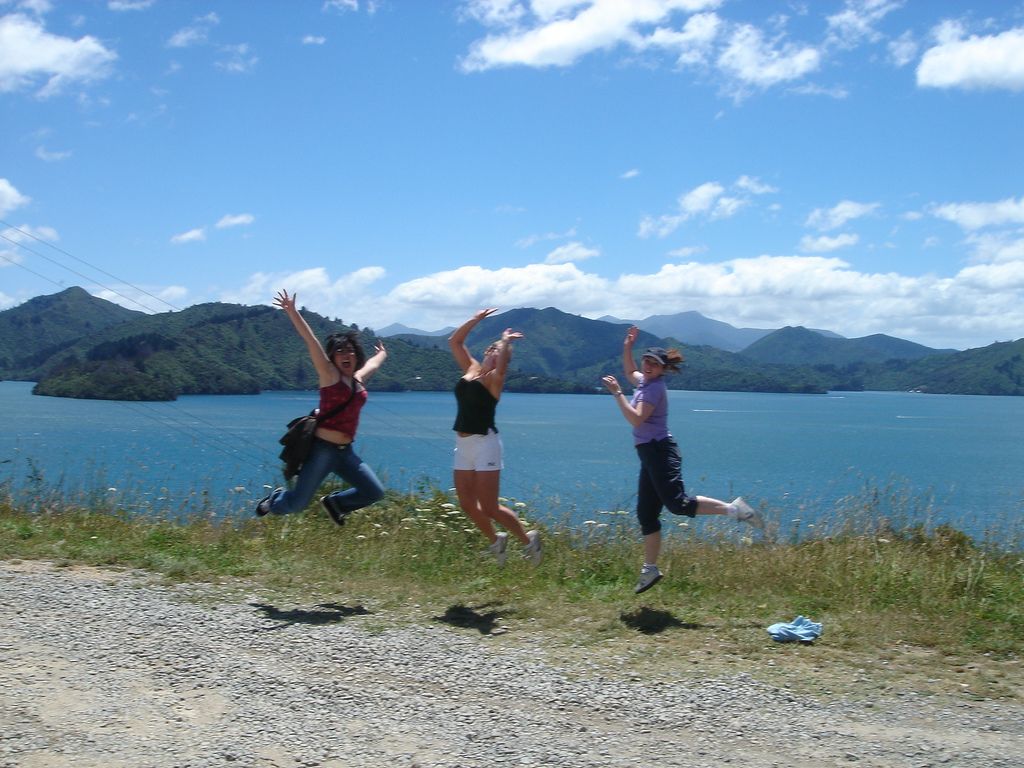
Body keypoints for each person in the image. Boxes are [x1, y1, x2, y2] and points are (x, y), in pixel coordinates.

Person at [602, 325, 763, 594]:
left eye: (655, 363)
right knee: (646, 514)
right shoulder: (645, 381)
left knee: (678, 504)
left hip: (660, 452)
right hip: (649, 454)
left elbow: (636, 418)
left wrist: (618, 394)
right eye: (647, 361)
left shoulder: (654, 389)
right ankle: (650, 569)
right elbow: (631, 372)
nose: (649, 366)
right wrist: (627, 347)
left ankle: (735, 510)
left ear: (664, 369)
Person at [256, 289, 387, 524]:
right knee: (297, 503)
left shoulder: (357, 380)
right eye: (340, 351)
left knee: (375, 492)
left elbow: (373, 365)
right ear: (333, 358)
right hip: (322, 450)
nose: (346, 354)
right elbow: (311, 340)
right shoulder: (329, 375)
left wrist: (383, 354)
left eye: (349, 351)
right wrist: (293, 312)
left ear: (356, 355)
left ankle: (336, 503)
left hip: (345, 453)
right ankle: (275, 500)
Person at [448, 308, 542, 565]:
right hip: (463, 444)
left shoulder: (494, 380)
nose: (493, 351)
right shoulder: (471, 368)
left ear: (505, 360)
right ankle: (496, 541)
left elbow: (500, 370)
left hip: (485, 444)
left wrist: (505, 341)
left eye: (499, 352)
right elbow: (454, 342)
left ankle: (528, 540)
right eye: (492, 348)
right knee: (467, 504)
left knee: (489, 506)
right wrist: (476, 319)